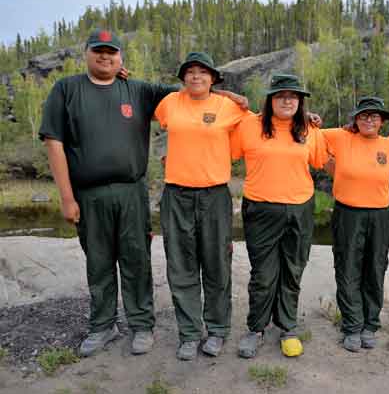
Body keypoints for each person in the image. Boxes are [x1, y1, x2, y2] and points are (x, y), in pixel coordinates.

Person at [39, 29, 177, 357]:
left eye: (111, 51)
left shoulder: (138, 90)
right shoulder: (66, 89)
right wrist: (67, 198)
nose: (105, 56)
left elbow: (191, 94)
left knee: (136, 259)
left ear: (120, 57)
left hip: (132, 193)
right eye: (98, 50)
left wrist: (233, 97)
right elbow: (54, 144)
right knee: (98, 262)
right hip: (88, 195)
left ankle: (141, 324)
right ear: (86, 53)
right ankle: (103, 325)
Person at [154, 52, 252, 360]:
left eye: (203, 72)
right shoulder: (169, 103)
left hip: (214, 196)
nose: (196, 76)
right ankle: (189, 333)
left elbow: (265, 125)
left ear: (213, 79)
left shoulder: (228, 107)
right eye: (190, 72)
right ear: (183, 77)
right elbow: (137, 111)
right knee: (180, 266)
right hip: (176, 195)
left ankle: (218, 330)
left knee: (217, 264)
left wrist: (306, 118)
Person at [231, 74, 327, 358]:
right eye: (281, 96)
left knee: (292, 270)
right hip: (260, 209)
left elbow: (321, 160)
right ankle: (256, 328)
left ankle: (287, 327)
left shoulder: (309, 129)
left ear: (300, 102)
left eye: (293, 96)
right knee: (263, 274)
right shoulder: (249, 125)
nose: (287, 101)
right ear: (270, 99)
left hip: (300, 208)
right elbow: (224, 148)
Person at [321, 97, 389, 352]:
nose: (369, 120)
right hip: (348, 213)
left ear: (382, 121)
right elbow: (310, 135)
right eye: (363, 115)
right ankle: (352, 326)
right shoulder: (341, 137)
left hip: (380, 215)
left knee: (375, 269)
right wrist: (334, 168)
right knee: (347, 268)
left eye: (374, 116)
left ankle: (370, 324)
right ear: (355, 119)